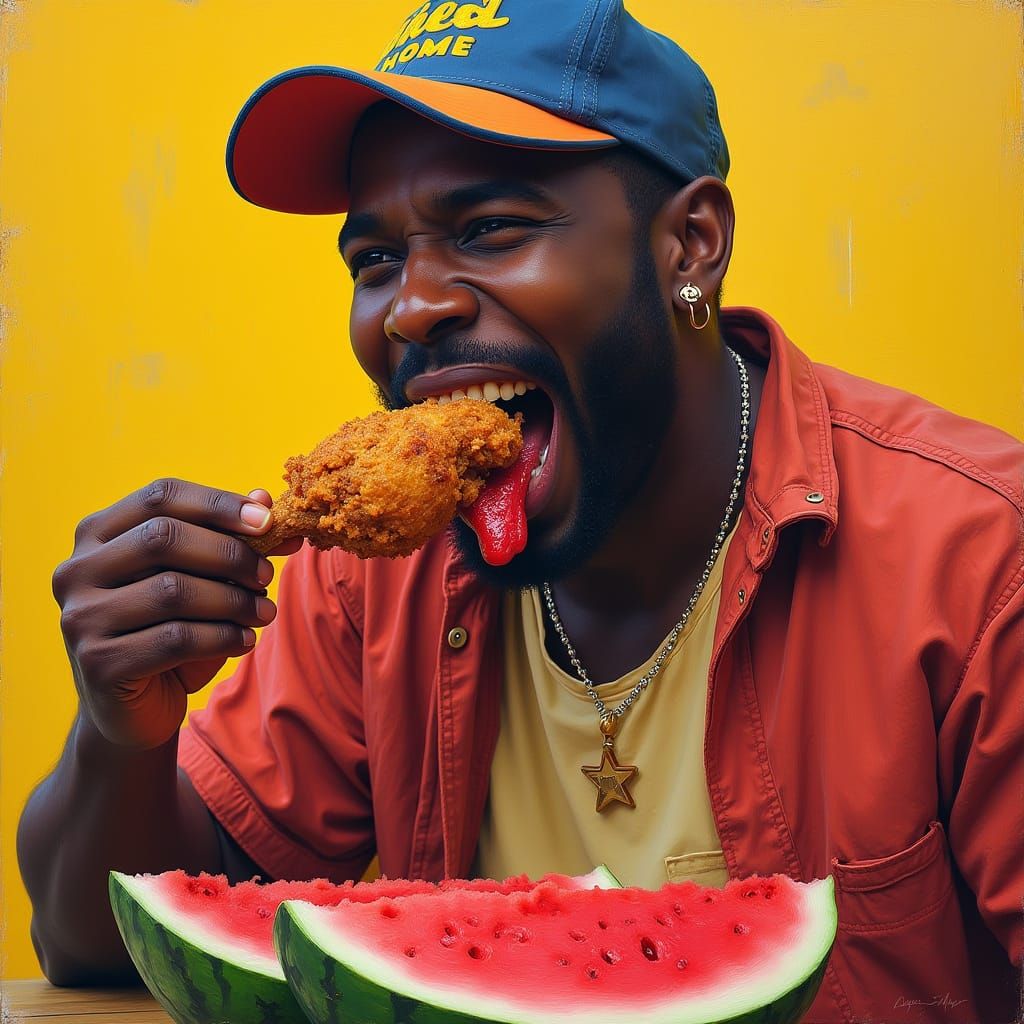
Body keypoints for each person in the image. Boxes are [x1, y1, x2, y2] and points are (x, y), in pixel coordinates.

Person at [18, 2, 1022, 1020]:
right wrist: (121, 728)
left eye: (489, 228)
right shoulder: (367, 579)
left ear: (690, 246)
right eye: (372, 261)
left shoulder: (980, 562)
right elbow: (100, 947)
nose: (410, 306)